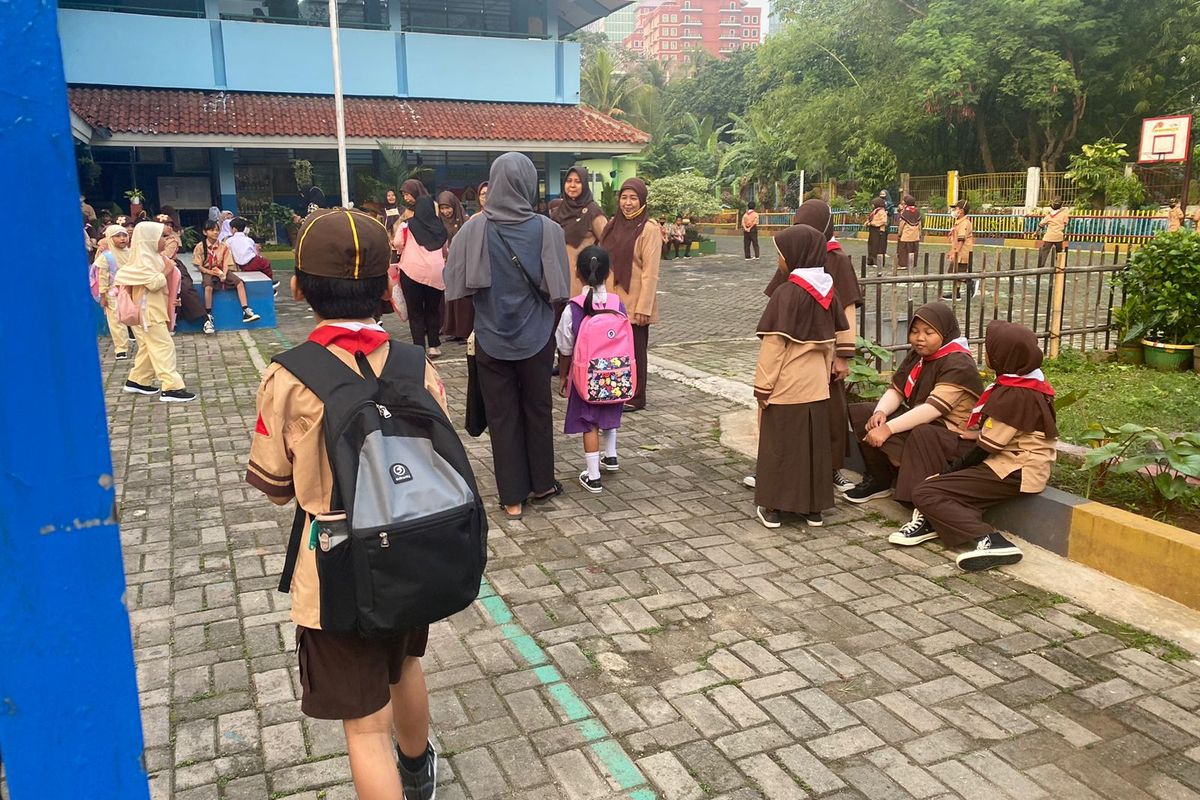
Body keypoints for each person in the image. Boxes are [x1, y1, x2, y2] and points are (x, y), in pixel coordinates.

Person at [246, 207, 443, 800]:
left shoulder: (288, 376)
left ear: (299, 287)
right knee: (405, 663)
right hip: (410, 550)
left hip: (335, 568)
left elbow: (277, 483)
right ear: (387, 284)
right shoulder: (417, 365)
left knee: (363, 723)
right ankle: (418, 768)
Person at [444, 152, 570, 520]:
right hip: (536, 337)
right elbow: (558, 289)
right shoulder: (549, 230)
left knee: (502, 416)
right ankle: (542, 483)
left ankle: (512, 498)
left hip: (491, 336)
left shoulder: (472, 229)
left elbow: (454, 285)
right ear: (529, 184)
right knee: (537, 408)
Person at [905, 321, 1057, 572]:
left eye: (990, 349)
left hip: (1016, 469)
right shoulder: (1024, 382)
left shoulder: (1016, 394)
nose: (986, 353)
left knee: (926, 492)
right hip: (1012, 460)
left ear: (1004, 355)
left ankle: (991, 540)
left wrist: (946, 474)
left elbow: (985, 448)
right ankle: (937, 521)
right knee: (941, 482)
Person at [753, 225, 853, 529]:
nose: (780, 260)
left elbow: (774, 347)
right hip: (817, 387)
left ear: (796, 255)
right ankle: (813, 510)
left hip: (786, 384)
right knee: (812, 448)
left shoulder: (786, 293)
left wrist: (763, 387)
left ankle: (773, 508)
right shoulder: (828, 291)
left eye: (781, 255)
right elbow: (832, 340)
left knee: (780, 447)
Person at [844, 302, 983, 505]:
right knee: (866, 414)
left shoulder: (958, 363)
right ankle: (880, 480)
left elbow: (932, 410)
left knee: (912, 432)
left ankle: (916, 495)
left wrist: (888, 429)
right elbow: (897, 390)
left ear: (945, 332)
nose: (920, 338)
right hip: (924, 420)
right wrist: (880, 412)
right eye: (915, 331)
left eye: (929, 332)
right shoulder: (920, 355)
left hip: (950, 432)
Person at [556, 245, 625, 494]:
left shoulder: (573, 308)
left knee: (590, 424)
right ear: (608, 274)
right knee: (609, 415)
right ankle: (612, 455)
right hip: (616, 375)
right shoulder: (618, 304)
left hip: (586, 377)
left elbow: (565, 346)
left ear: (578, 274)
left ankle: (593, 475)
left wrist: (564, 376)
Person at [600, 178, 662, 413]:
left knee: (636, 352)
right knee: (614, 349)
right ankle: (618, 390)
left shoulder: (649, 229)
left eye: (633, 198)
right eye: (624, 197)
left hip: (635, 303)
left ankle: (637, 396)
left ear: (642, 201)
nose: (627, 203)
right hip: (611, 300)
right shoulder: (613, 224)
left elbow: (650, 273)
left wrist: (644, 307)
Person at [116, 221, 195, 402]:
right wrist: (166, 270)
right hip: (148, 313)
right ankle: (171, 387)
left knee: (150, 347)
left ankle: (137, 380)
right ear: (149, 239)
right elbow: (152, 283)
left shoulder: (154, 258)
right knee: (163, 347)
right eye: (161, 237)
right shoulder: (141, 262)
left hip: (156, 310)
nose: (164, 241)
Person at [392, 179, 448, 357]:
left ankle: (419, 348)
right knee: (432, 310)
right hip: (436, 276)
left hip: (411, 273)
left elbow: (397, 244)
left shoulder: (406, 226)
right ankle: (434, 346)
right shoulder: (440, 228)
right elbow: (445, 251)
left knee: (416, 312)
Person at [549, 166, 609, 295]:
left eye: (578, 181)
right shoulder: (557, 212)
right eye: (569, 181)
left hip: (581, 282)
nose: (572, 185)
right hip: (557, 277)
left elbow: (608, 244)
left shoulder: (593, 211)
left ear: (585, 185)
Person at [193, 220, 260, 332]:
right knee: (208, 286)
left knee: (239, 282)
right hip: (208, 270)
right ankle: (208, 317)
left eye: (217, 230)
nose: (215, 232)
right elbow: (199, 266)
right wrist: (210, 273)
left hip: (220, 269)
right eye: (211, 230)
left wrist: (223, 274)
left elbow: (225, 262)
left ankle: (246, 310)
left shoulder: (224, 246)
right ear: (205, 232)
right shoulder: (200, 247)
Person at [93, 224, 134, 360]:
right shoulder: (106, 257)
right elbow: (102, 277)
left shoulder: (132, 253)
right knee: (116, 320)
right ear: (110, 238)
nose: (122, 239)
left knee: (136, 316)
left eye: (124, 235)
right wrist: (103, 295)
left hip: (131, 290)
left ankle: (144, 343)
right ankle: (121, 348)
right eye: (117, 236)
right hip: (113, 292)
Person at [438, 191, 474, 341]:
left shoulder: (465, 220)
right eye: (442, 208)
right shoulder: (438, 222)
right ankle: (453, 329)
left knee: (463, 298)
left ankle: (465, 331)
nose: (445, 211)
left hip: (463, 263)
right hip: (447, 263)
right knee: (450, 298)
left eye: (448, 207)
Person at [227, 217, 279, 294]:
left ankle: (266, 286)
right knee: (266, 263)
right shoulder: (248, 239)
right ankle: (269, 284)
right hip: (253, 261)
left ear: (234, 229)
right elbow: (254, 252)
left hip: (242, 265)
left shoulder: (229, 240)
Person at [944, 200, 976, 300]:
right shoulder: (958, 222)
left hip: (962, 252)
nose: (954, 211)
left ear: (961, 211)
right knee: (954, 272)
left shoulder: (964, 223)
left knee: (958, 273)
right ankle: (956, 293)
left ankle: (970, 281)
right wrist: (952, 251)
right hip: (958, 251)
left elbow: (961, 240)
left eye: (956, 209)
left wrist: (955, 253)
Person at [1036, 198, 1069, 268]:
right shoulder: (1064, 215)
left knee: (1045, 252)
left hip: (1049, 236)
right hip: (1058, 236)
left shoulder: (1049, 216)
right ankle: (1060, 266)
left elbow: (1041, 224)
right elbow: (1066, 224)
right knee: (1059, 252)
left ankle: (1041, 266)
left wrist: (1036, 232)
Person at [896, 195, 922, 270]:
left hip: (906, 235)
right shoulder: (917, 211)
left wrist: (899, 233)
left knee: (903, 250)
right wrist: (920, 233)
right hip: (915, 235)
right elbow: (919, 224)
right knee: (914, 249)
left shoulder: (905, 212)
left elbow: (901, 224)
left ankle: (903, 264)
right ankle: (913, 264)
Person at [866, 196, 889, 266]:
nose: (872, 205)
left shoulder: (882, 211)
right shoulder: (875, 211)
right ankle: (871, 260)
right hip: (873, 230)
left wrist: (873, 223)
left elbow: (884, 221)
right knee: (872, 245)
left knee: (878, 246)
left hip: (879, 230)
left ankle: (878, 262)